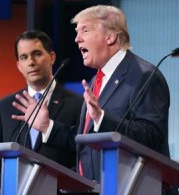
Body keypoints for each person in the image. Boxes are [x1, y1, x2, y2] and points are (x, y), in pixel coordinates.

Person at [12, 4, 173, 189]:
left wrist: (102, 118)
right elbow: (84, 141)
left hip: (135, 188)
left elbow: (151, 136)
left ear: (110, 36)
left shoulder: (144, 75)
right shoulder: (95, 81)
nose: (77, 39)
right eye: (76, 32)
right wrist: (47, 126)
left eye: (85, 30)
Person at [0, 30, 84, 187]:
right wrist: (10, 187)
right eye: (24, 57)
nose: (31, 62)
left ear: (52, 57)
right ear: (19, 66)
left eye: (37, 54)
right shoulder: (5, 106)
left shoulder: (77, 103)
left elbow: (83, 155)